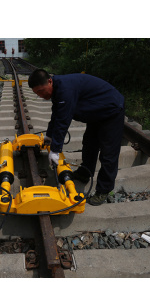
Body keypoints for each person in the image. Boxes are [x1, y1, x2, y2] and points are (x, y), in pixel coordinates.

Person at [28, 69, 125, 206]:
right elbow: (56, 114)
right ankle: (85, 173)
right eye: (37, 93)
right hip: (97, 112)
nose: (41, 95)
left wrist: (55, 150)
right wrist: (49, 136)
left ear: (50, 81)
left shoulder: (65, 89)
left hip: (111, 110)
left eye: (42, 91)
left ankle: (103, 190)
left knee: (108, 153)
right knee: (89, 144)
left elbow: (63, 120)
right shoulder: (56, 89)